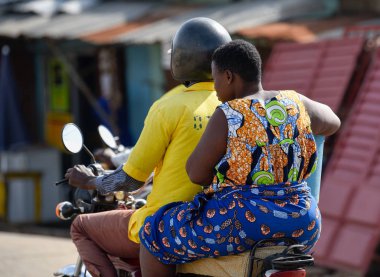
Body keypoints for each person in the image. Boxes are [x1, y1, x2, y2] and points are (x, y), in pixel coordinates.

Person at [138, 39, 341, 277]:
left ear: (228, 76)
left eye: (215, 80)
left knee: (153, 232)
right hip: (304, 222)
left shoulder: (229, 113)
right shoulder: (294, 102)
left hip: (244, 221)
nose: (215, 89)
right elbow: (333, 123)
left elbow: (195, 173)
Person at [64, 17, 232, 277]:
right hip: (217, 218)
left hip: (164, 222)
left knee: (81, 226)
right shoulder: (236, 104)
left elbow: (131, 180)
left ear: (180, 59)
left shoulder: (169, 106)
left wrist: (91, 182)